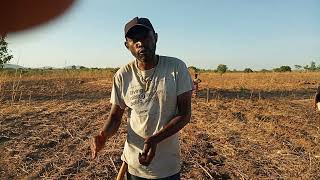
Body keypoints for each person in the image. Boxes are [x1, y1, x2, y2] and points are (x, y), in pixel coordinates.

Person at [91, 17, 193, 179]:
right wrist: (103, 136)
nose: (140, 43)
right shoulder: (123, 75)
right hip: (134, 165)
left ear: (156, 37)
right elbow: (115, 116)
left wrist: (155, 140)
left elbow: (184, 114)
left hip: (167, 167)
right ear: (127, 45)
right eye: (134, 39)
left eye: (145, 36)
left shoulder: (176, 68)